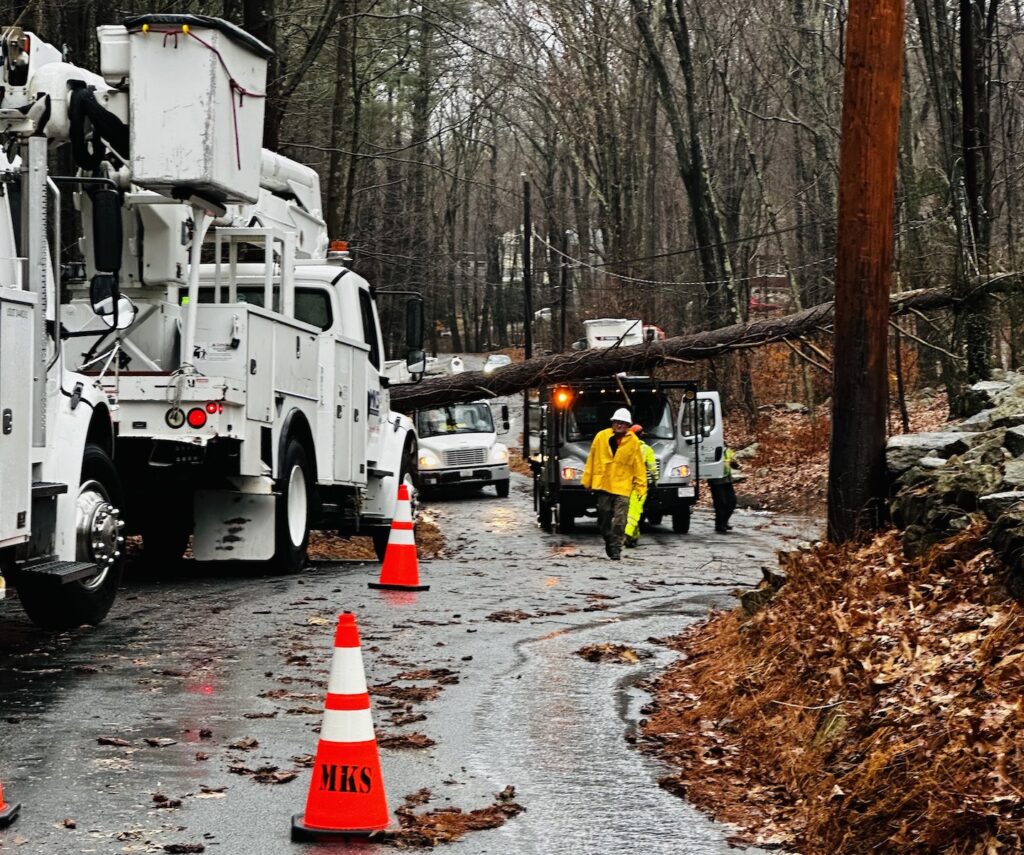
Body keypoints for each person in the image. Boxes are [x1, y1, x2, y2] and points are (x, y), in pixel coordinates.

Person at [582, 408, 648, 560]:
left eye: (623, 423)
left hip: (623, 486)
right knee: (603, 517)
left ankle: (616, 547)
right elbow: (592, 459)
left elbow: (638, 465)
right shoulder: (601, 437)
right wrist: (587, 481)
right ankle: (609, 540)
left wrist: (640, 487)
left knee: (620, 519)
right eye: (617, 422)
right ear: (612, 422)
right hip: (603, 484)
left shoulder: (634, 442)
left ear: (628, 426)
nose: (619, 426)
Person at [624, 424, 659, 547]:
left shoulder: (625, 448)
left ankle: (634, 536)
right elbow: (653, 468)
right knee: (635, 511)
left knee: (630, 510)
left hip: (625, 485)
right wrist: (656, 481)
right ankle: (627, 534)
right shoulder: (646, 449)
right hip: (640, 486)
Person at [709, 446, 740, 533]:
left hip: (727, 480)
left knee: (732, 501)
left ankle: (724, 522)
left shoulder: (727, 450)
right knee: (721, 503)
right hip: (716, 481)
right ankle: (719, 524)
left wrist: (735, 465)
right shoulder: (711, 449)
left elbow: (731, 462)